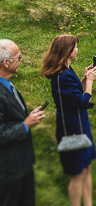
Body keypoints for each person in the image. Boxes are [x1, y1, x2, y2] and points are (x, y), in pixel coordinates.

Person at [40, 34, 96, 206]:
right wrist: (89, 82)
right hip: (71, 130)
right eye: (75, 46)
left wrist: (83, 79)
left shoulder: (66, 70)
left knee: (86, 168)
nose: (77, 49)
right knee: (78, 173)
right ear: (67, 51)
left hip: (80, 126)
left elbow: (73, 95)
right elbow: (82, 102)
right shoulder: (63, 75)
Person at [0, 39, 45, 206]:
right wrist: (26, 124)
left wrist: (28, 118)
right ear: (6, 63)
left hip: (22, 165)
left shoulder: (8, 85)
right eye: (18, 57)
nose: (21, 60)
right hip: (8, 172)